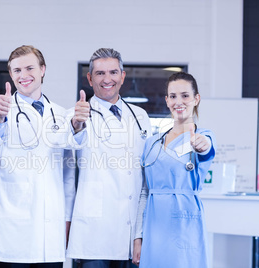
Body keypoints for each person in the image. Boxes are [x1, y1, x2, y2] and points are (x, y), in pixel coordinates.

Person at [0, 45, 88, 268]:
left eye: (29, 68)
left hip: (50, 230)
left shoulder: (60, 113)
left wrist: (77, 124)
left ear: (43, 70)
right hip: (13, 229)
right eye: (17, 70)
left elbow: (68, 175)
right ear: (11, 74)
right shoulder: (1, 108)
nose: (23, 75)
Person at [66, 48, 151, 268]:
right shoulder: (77, 114)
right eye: (100, 73)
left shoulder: (140, 116)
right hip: (94, 235)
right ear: (90, 78)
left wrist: (139, 234)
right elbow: (72, 140)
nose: (107, 79)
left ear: (122, 77)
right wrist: (77, 125)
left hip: (130, 234)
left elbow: (144, 181)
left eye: (113, 72)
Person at [136, 72, 216, 268]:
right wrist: (138, 237)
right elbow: (144, 192)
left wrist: (202, 145)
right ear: (166, 100)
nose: (178, 101)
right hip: (154, 225)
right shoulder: (152, 143)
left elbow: (206, 149)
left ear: (196, 99)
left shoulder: (202, 135)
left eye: (185, 95)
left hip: (184, 223)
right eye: (172, 96)